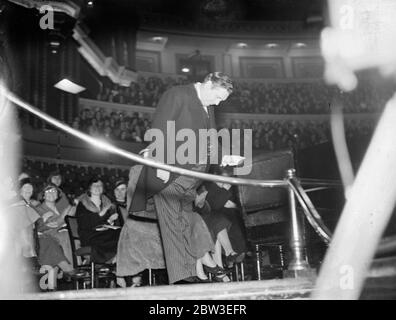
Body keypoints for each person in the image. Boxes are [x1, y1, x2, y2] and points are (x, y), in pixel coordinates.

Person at [129, 72, 242, 284]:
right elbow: (160, 129)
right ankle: (182, 277)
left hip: (193, 176)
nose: (218, 102)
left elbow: (211, 137)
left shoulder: (207, 104)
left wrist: (224, 157)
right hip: (172, 170)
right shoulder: (178, 94)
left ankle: (189, 272)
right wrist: (159, 163)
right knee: (172, 222)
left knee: (184, 223)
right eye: (217, 97)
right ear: (208, 84)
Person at [115, 167, 165, 287]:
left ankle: (127, 277)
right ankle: (132, 279)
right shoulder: (113, 205)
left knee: (132, 231)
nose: (120, 192)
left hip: (148, 229)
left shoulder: (150, 193)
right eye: (117, 190)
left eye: (123, 189)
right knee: (131, 231)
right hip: (136, 229)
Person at [75, 177, 121, 264]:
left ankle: (114, 259)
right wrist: (102, 212)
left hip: (105, 233)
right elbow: (84, 224)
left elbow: (105, 223)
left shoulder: (107, 202)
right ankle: (107, 261)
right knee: (109, 239)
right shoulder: (83, 203)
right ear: (89, 188)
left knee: (120, 233)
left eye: (100, 185)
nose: (98, 187)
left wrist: (110, 221)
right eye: (94, 185)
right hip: (89, 235)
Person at [35, 183, 74, 267]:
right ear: (43, 196)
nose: (51, 193)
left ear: (58, 194)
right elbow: (54, 224)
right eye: (48, 191)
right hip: (49, 234)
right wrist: (66, 211)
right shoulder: (39, 209)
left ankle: (82, 267)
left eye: (54, 191)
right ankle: (71, 269)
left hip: (64, 231)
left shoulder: (60, 207)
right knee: (66, 236)